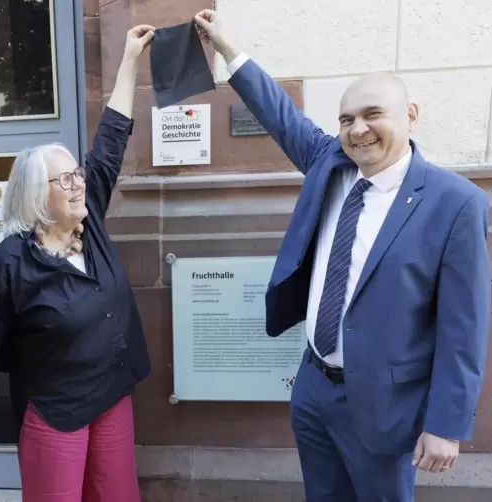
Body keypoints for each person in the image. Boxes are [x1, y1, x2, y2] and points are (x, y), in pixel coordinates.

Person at [195, 9, 490, 502]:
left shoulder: (455, 203)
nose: (358, 130)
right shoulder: (328, 164)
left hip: (384, 402)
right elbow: (279, 113)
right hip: (314, 388)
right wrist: (229, 48)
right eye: (347, 119)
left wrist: (447, 423)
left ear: (410, 114)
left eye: (373, 114)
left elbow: (464, 326)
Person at [0, 25, 155, 502]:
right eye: (63, 179)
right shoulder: (9, 263)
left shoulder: (87, 218)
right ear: (37, 196)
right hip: (55, 408)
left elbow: (112, 138)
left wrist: (130, 57)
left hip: (112, 394)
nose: (78, 183)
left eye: (77, 173)